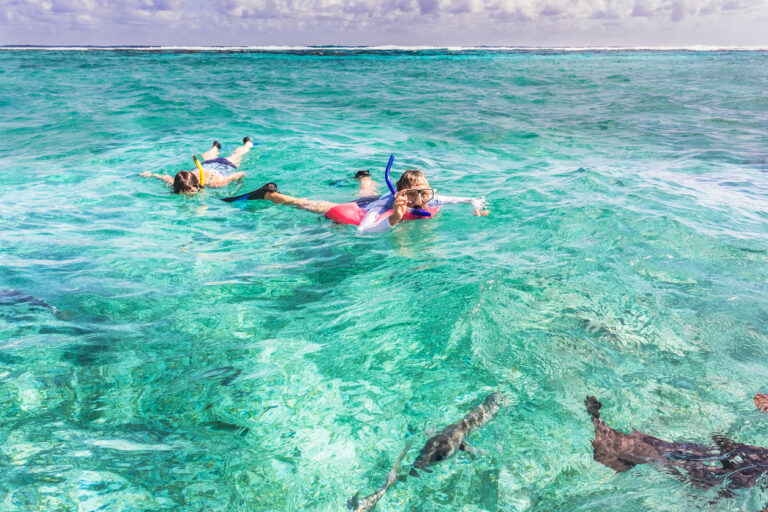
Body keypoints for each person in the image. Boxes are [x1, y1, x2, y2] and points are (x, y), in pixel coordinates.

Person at [586, 395, 768, 510]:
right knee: (674, 454)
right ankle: (613, 447)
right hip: (743, 461)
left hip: (736, 473)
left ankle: (608, 441)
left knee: (671, 458)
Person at [233, 169, 489, 233]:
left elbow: (468, 198)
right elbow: (364, 230)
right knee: (309, 205)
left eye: (424, 193)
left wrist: (477, 207)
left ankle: (364, 176)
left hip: (373, 199)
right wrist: (395, 218)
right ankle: (269, 194)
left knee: (366, 187)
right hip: (364, 207)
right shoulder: (387, 203)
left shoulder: (429, 199)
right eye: (412, 194)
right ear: (400, 194)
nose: (419, 199)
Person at [140, 138, 253, 194]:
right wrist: (150, 175)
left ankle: (248, 144)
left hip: (223, 165)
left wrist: (237, 185)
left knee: (237, 155)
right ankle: (215, 147)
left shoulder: (214, 183)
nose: (188, 194)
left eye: (190, 191)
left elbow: (241, 174)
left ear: (196, 184)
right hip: (205, 165)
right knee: (207, 156)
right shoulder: (177, 183)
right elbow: (163, 177)